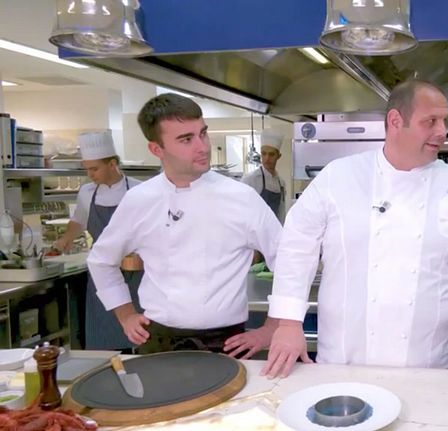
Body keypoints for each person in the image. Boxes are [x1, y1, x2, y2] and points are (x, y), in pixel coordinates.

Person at [261, 79, 448, 386]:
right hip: (344, 362)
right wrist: (288, 323)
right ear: (395, 121)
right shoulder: (338, 178)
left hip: (431, 365)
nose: (442, 132)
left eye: (444, 120)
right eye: (430, 121)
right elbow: (296, 248)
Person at [86, 93, 282, 355]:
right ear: (156, 149)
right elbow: (100, 261)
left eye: (203, 133)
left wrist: (272, 327)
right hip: (158, 341)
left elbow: (289, 261)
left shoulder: (241, 197)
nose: (202, 147)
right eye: (186, 139)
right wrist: (126, 315)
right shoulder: (139, 200)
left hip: (226, 342)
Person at [53, 131, 143, 351]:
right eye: (87, 169)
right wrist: (64, 240)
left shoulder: (139, 190)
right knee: (102, 337)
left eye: (94, 169)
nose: (90, 174)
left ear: (112, 164)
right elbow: (79, 221)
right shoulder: (87, 193)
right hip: (102, 273)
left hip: (136, 272)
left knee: (137, 332)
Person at [241, 129, 286, 221]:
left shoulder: (281, 183)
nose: (267, 158)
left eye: (271, 154)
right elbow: (241, 210)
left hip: (274, 228)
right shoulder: (250, 180)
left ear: (279, 156)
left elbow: (281, 213)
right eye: (264, 153)